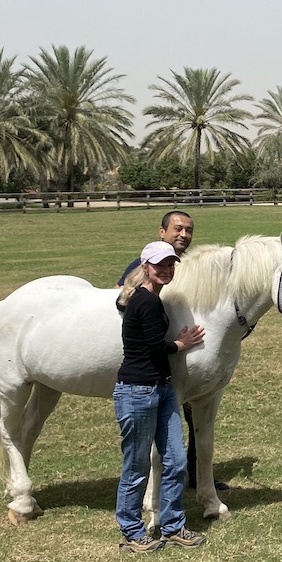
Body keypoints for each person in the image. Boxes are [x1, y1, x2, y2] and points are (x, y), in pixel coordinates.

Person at [116, 210, 222, 492]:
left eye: (189, 230)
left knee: (195, 421)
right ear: (162, 232)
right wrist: (178, 344)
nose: (184, 234)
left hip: (185, 364)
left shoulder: (192, 266)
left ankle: (196, 474)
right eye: (177, 229)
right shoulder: (142, 272)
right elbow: (119, 299)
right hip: (153, 369)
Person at [114, 240, 206, 552]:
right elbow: (156, 347)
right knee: (137, 464)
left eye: (170, 265)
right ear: (146, 268)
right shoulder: (146, 301)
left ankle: (173, 526)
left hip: (163, 389)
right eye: (160, 265)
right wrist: (182, 343)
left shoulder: (154, 298)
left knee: (176, 461)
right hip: (138, 391)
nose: (166, 270)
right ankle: (130, 530)